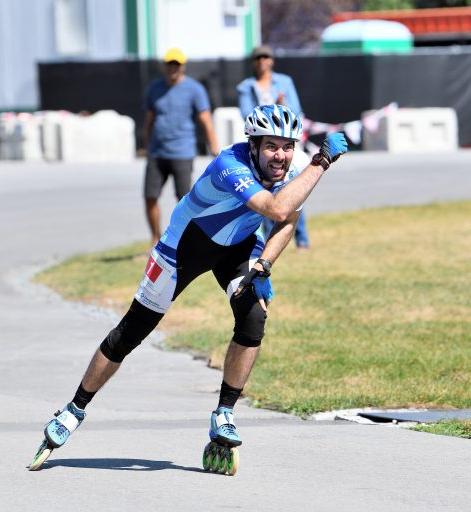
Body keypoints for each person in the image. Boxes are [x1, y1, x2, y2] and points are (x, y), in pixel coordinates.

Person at [29, 105, 348, 471]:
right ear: (255, 145)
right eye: (272, 147)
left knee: (254, 319)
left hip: (238, 248)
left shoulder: (295, 171)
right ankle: (74, 409)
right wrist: (321, 161)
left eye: (287, 146)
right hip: (183, 248)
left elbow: (289, 220)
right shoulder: (231, 165)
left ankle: (224, 413)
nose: (281, 155)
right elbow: (276, 209)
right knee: (131, 333)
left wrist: (265, 265)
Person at [143, 47, 219, 247]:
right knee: (150, 196)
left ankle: (184, 243)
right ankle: (155, 241)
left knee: (184, 200)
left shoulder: (194, 89)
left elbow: (205, 119)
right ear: (164, 66)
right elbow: (149, 118)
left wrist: (214, 147)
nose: (173, 68)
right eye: (170, 64)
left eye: (176, 64)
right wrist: (148, 143)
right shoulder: (155, 89)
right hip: (157, 153)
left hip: (182, 152)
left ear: (183, 66)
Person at [236, 44, 310, 250]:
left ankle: (301, 239)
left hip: (284, 143)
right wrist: (270, 115)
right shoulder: (246, 86)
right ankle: (269, 240)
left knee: (293, 190)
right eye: (258, 57)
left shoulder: (285, 82)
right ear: (253, 62)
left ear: (272, 60)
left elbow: (295, 111)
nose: (262, 61)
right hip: (262, 147)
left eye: (266, 57)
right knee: (264, 194)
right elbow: (246, 115)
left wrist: (282, 106)